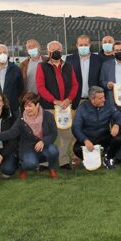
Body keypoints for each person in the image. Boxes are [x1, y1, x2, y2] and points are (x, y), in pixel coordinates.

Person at [0, 93, 60, 179]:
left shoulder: (48, 116)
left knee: (53, 150)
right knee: (30, 164)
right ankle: (23, 167)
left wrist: (43, 141)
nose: (27, 109)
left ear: (37, 105)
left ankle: (52, 168)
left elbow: (54, 133)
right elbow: (12, 132)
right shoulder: (21, 118)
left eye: (30, 106)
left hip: (44, 145)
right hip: (28, 147)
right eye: (25, 106)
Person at [35, 40, 79, 168]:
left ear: (62, 51)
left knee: (65, 134)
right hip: (50, 107)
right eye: (52, 49)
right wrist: (54, 101)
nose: (55, 52)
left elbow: (75, 85)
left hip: (66, 107)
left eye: (58, 49)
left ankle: (63, 160)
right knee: (47, 134)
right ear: (48, 52)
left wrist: (68, 99)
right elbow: (40, 87)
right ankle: (44, 162)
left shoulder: (68, 66)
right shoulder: (42, 66)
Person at [72, 86, 121, 169]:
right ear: (92, 99)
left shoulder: (108, 105)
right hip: (88, 137)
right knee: (76, 149)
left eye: (104, 97)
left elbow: (120, 117)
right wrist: (85, 140)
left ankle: (108, 158)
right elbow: (76, 127)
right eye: (100, 98)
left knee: (118, 138)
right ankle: (92, 157)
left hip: (103, 136)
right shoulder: (82, 108)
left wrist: (117, 125)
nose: (104, 99)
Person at [0, 44, 23, 117]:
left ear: (8, 54)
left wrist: (13, 98)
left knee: (13, 127)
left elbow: (20, 87)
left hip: (12, 107)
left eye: (4, 52)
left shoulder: (15, 69)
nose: (2, 55)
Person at [65, 34, 103, 108]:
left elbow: (100, 79)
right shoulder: (70, 59)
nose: (83, 47)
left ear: (89, 45)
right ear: (77, 45)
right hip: (76, 101)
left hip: (94, 100)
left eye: (85, 45)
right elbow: (67, 80)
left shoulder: (98, 59)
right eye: (81, 45)